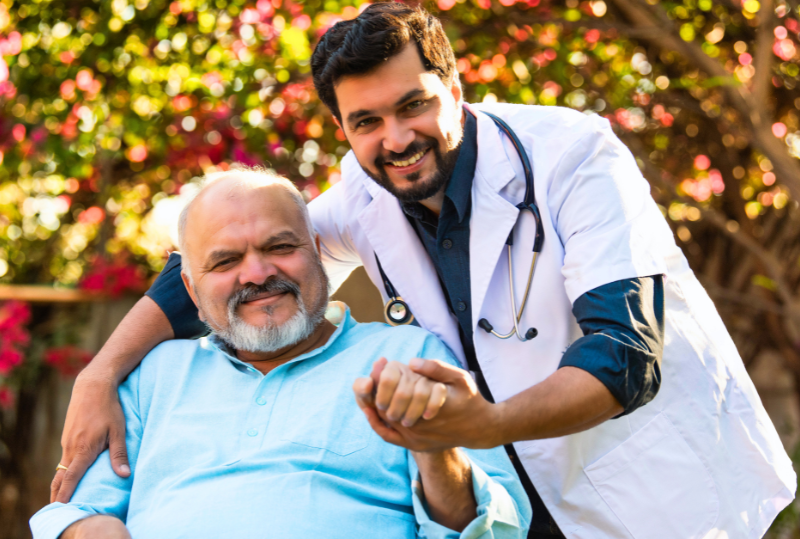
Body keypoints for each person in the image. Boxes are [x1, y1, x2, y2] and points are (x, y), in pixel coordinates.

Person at [53, 2, 795, 538]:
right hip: (516, 504)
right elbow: (227, 263)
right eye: (366, 122)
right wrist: (100, 374)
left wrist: (486, 424)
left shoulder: (574, 157)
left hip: (650, 485)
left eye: (413, 105)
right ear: (342, 128)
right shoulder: (359, 198)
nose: (396, 139)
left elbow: (625, 358)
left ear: (454, 87)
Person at [32, 168, 531, 539]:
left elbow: (497, 529)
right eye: (226, 260)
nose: (255, 274)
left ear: (317, 249)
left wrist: (434, 446)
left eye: (280, 246)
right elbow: (74, 511)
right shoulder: (154, 377)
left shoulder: (409, 355)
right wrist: (90, 529)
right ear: (189, 285)